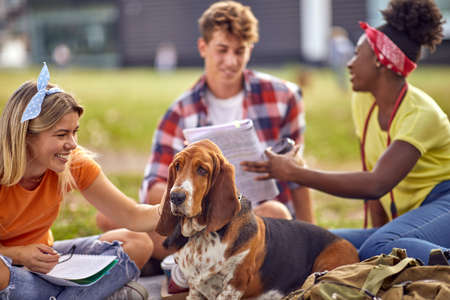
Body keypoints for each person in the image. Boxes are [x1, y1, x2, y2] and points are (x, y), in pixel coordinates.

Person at [96, 0, 313, 264]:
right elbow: (154, 188)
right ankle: (209, 258)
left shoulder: (283, 97)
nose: (231, 61)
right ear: (203, 47)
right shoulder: (180, 112)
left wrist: (309, 239)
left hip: (259, 220)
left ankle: (194, 261)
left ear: (250, 50)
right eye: (222, 50)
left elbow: (298, 178)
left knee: (275, 212)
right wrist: (198, 196)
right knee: (110, 217)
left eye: (239, 51)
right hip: (198, 219)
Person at [242, 0, 450, 265]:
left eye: (356, 54)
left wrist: (294, 173)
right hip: (415, 221)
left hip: (444, 205)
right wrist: (378, 231)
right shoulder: (364, 101)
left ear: (378, 60)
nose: (349, 64)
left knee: (381, 247)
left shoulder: (422, 115)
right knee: (315, 242)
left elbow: (376, 183)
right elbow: (375, 187)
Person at [0, 63, 160, 300]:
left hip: (48, 262)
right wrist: (20, 255)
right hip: (10, 268)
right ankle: (100, 293)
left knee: (139, 243)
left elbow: (134, 216)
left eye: (74, 132)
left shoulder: (71, 164)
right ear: (26, 136)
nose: (73, 143)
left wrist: (185, 205)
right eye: (62, 134)